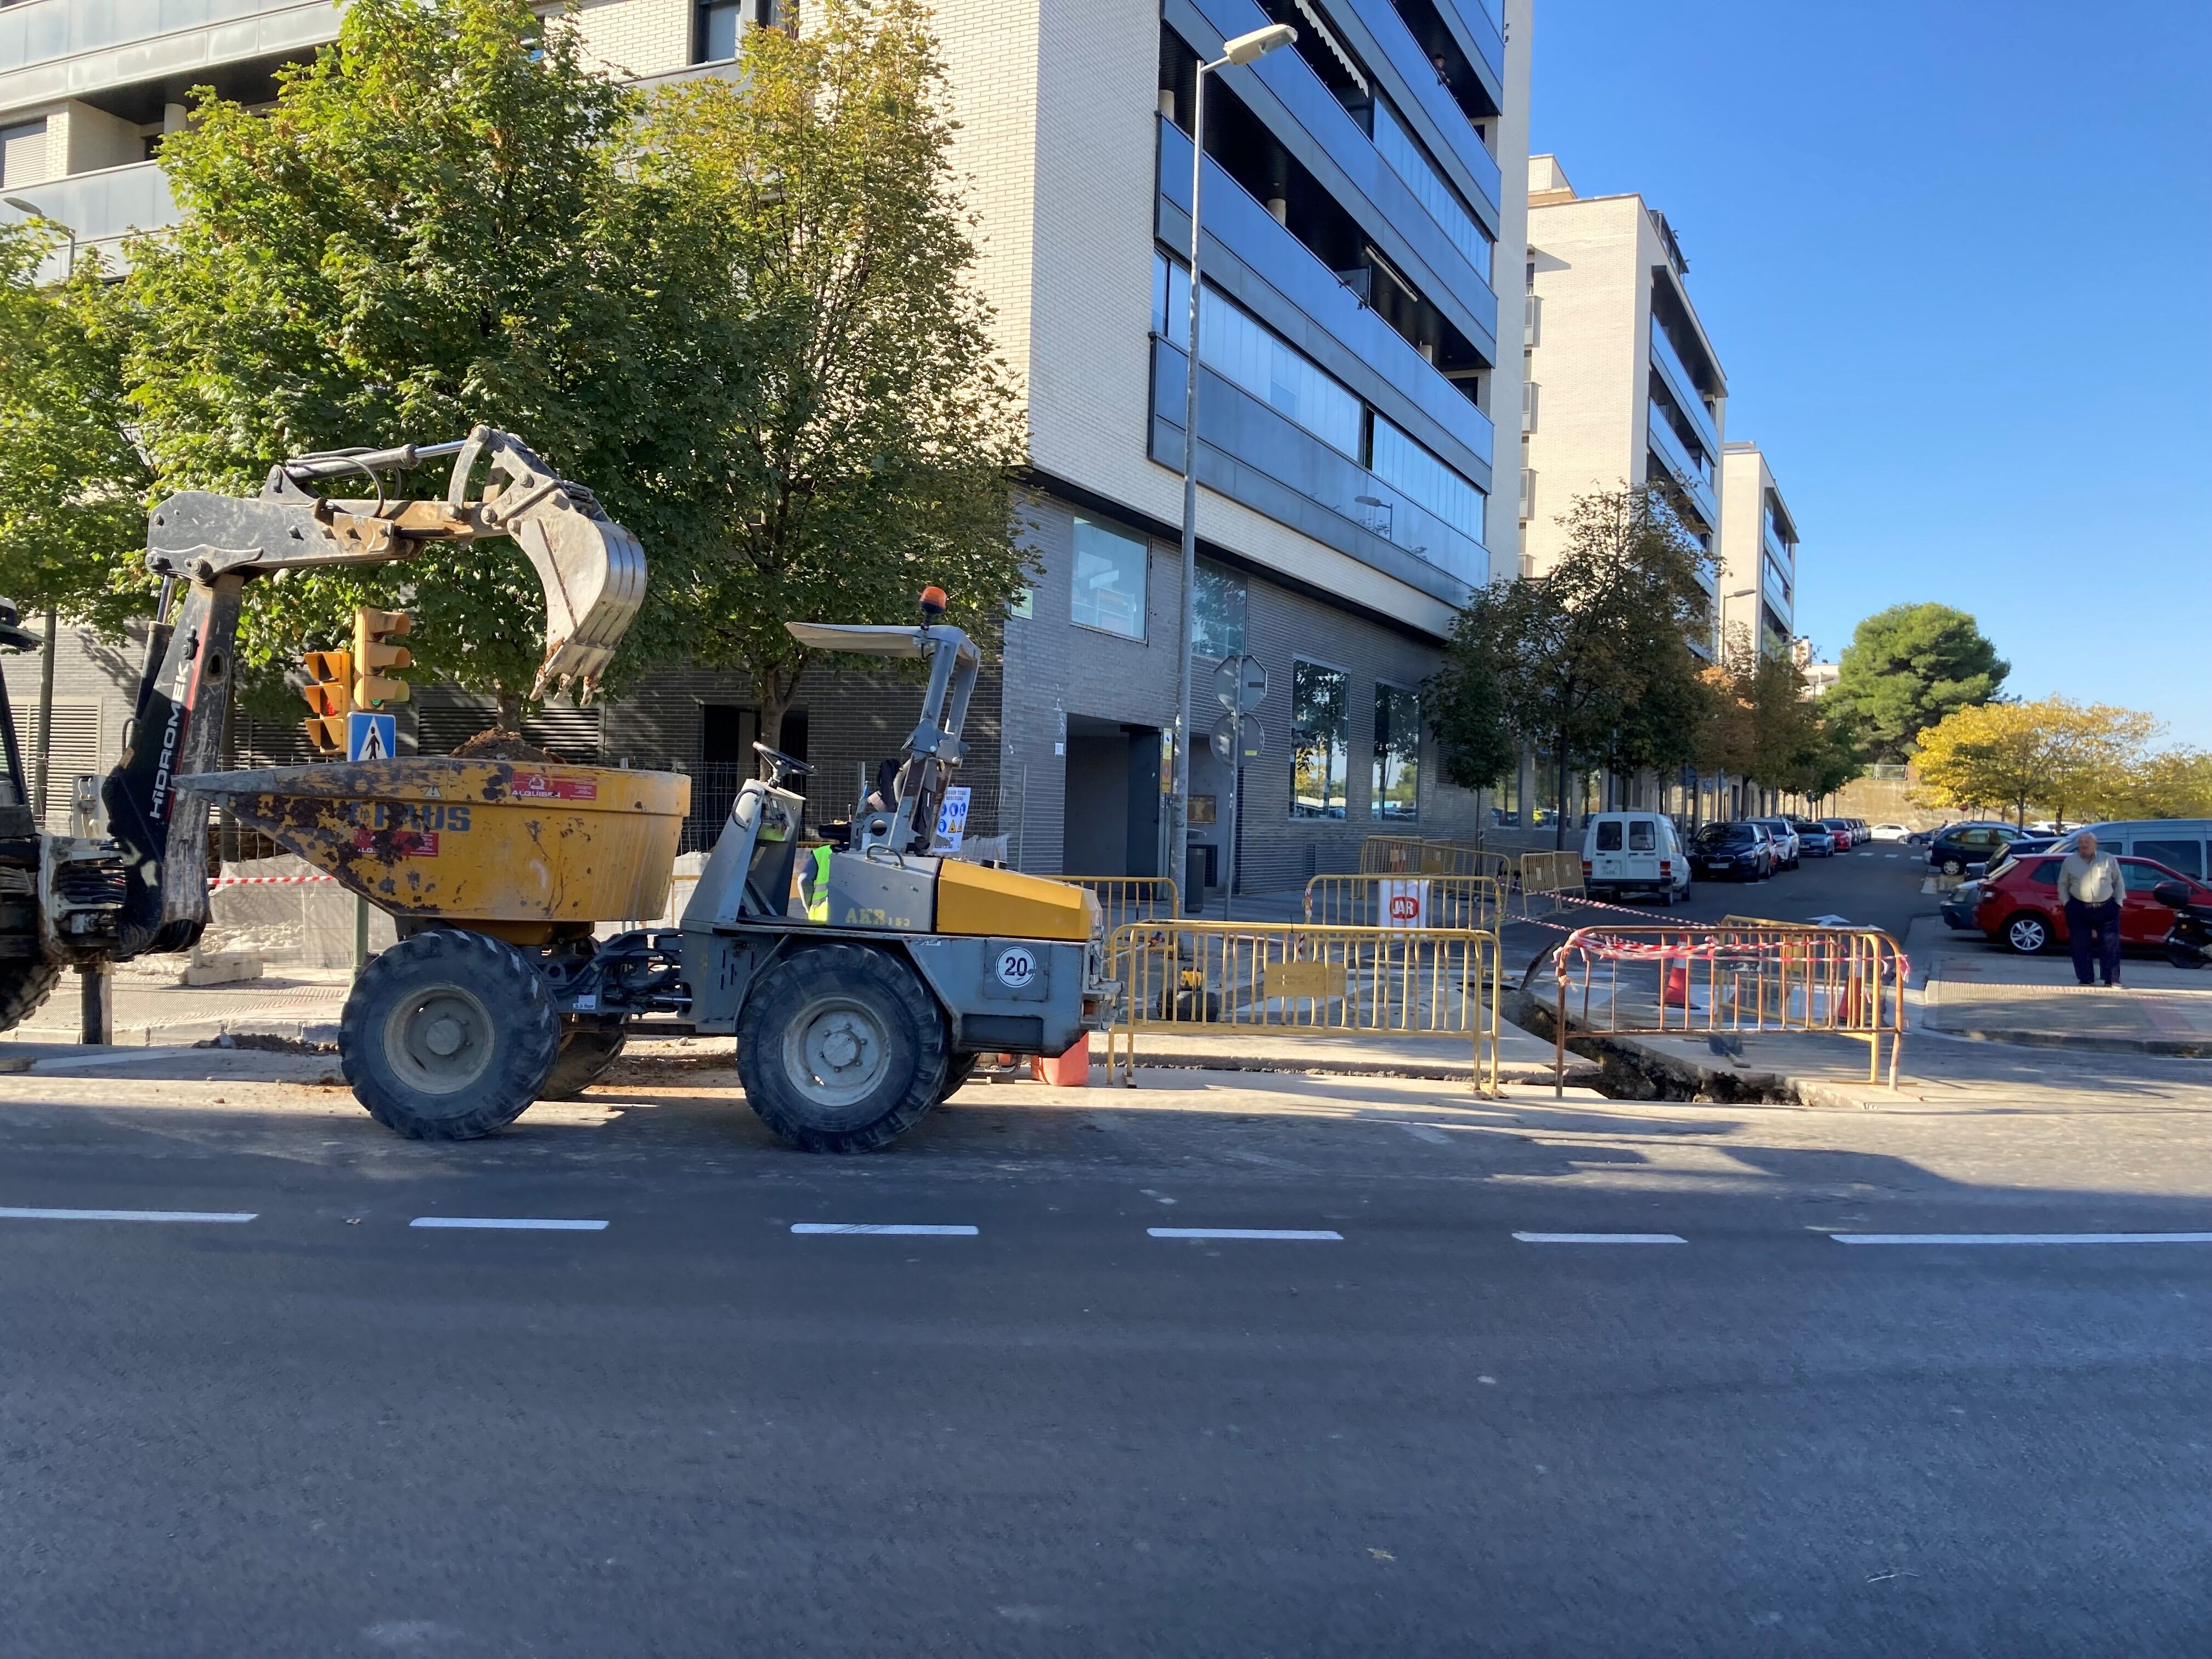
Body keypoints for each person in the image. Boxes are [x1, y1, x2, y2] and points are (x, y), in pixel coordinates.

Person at [2055, 831, 2125, 988]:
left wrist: (2118, 902)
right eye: (2081, 842)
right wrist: (2066, 903)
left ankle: (2112, 979)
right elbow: (2063, 884)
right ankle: (2086, 978)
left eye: (2087, 842)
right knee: (2080, 944)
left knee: (2110, 944)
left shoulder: (2108, 859)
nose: (2083, 845)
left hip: (2106, 907)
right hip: (2079, 907)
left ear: (2096, 844)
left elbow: (2118, 882)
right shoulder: (2070, 861)